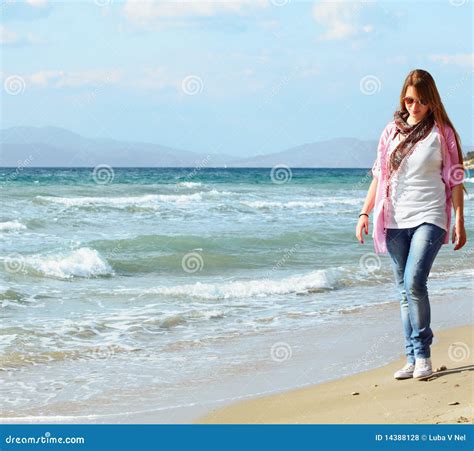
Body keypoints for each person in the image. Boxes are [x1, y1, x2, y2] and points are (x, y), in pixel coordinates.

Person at [355, 69, 467, 380]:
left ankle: (423, 356)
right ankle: (410, 357)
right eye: (408, 100)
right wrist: (364, 213)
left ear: (431, 102)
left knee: (415, 282)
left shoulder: (442, 133)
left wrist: (459, 219)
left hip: (430, 216)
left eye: (419, 101)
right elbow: (379, 175)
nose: (413, 107)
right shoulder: (391, 131)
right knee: (403, 289)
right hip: (394, 219)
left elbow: (455, 178)